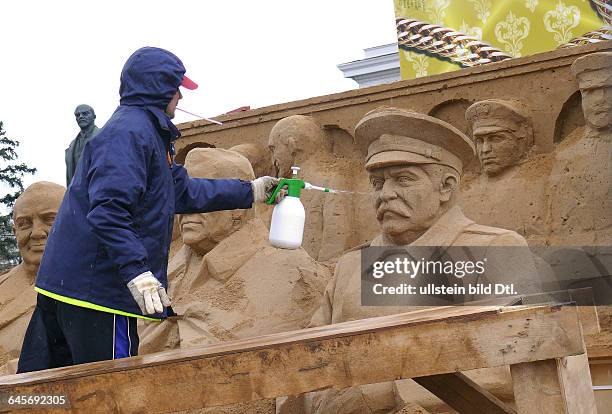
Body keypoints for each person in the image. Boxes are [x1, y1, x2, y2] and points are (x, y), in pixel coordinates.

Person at [17, 47, 280, 373]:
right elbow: (109, 212)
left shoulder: (143, 133)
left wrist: (251, 191)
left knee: (45, 392)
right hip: (97, 293)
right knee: (110, 390)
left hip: (67, 286)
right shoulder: (130, 135)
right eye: (176, 87)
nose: (181, 96)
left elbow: (180, 191)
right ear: (158, 88)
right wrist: (137, 273)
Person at [285, 107, 542, 414]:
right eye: (378, 183)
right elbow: (307, 359)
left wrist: (382, 394)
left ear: (446, 186)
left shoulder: (494, 250)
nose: (386, 194)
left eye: (403, 180)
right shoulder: (351, 265)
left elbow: (517, 363)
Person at [139, 148, 330, 353]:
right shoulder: (170, 266)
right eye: (182, 197)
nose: (185, 209)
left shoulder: (289, 270)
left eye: (200, 197)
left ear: (237, 206)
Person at [459, 99, 551, 244]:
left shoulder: (541, 185)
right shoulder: (464, 193)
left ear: (521, 139)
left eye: (496, 139)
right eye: (479, 141)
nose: (485, 149)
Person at [0, 182, 65, 374]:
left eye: (50, 220)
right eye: (24, 224)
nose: (36, 233)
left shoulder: (99, 290)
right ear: (15, 232)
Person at [65, 104, 99, 186]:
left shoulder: (103, 137)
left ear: (94, 117)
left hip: (98, 190)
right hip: (76, 193)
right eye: (77, 115)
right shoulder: (71, 146)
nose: (80, 116)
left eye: (85, 113)